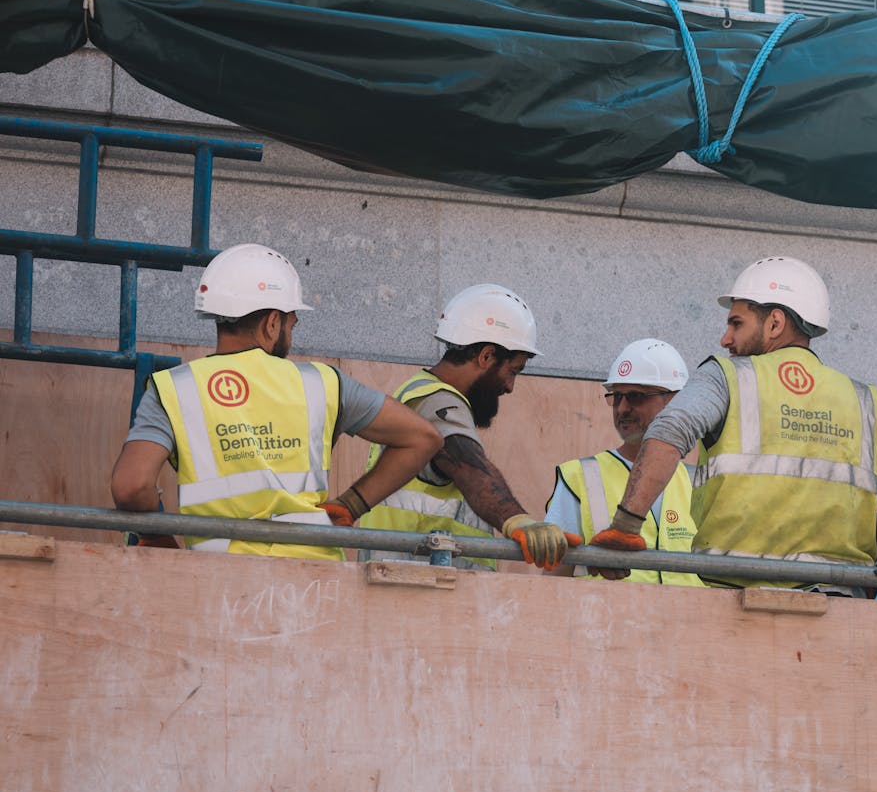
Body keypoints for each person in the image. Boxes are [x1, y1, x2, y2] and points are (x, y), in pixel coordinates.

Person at [588, 256, 877, 592]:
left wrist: (626, 525)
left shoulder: (727, 377)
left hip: (733, 597)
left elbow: (669, 431)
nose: (725, 338)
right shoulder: (867, 401)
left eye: (736, 323)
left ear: (774, 323)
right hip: (843, 608)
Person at [110, 243, 442, 560]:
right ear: (272, 322)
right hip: (312, 580)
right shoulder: (322, 383)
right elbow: (423, 438)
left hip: (220, 582)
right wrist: (352, 504)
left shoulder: (174, 389)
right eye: (291, 323)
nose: (290, 334)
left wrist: (157, 535)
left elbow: (132, 486)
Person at [360, 284, 579, 570]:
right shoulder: (434, 401)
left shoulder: (419, 394)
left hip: (419, 587)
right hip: (416, 589)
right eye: (512, 371)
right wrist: (518, 520)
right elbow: (466, 463)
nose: (510, 387)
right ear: (486, 356)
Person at [544, 339, 704, 586]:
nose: (622, 408)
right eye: (617, 397)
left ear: (674, 401)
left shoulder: (696, 482)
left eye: (636, 396)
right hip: (608, 622)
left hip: (693, 623)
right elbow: (553, 580)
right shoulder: (579, 477)